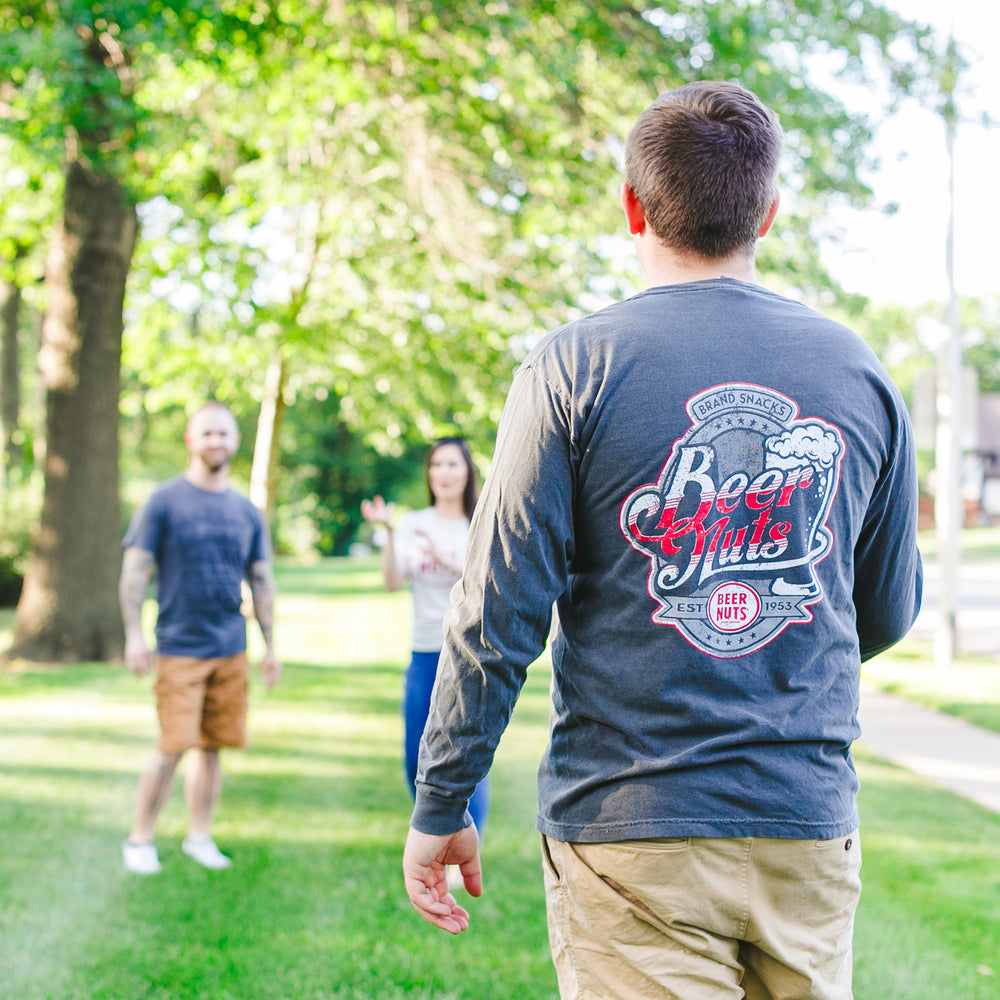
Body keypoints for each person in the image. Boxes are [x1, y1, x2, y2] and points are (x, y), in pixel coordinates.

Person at [402, 81, 923, 1000]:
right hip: (803, 817)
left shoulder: (573, 367)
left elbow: (496, 614)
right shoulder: (857, 371)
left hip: (628, 825)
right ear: (769, 210)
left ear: (632, 207)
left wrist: (443, 798)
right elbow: (881, 608)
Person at [120, 401, 281, 875]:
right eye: (207, 434)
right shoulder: (164, 500)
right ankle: (139, 840)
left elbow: (262, 580)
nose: (216, 442)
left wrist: (271, 645)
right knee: (172, 746)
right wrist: (133, 634)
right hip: (178, 648)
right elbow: (134, 570)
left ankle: (199, 836)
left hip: (231, 648)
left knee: (212, 747)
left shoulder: (246, 511)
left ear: (235, 442)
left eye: (224, 434)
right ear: (191, 440)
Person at [361, 437, 489, 835]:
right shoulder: (413, 524)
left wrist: (445, 558)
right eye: (437, 465)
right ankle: (435, 834)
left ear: (467, 472)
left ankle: (466, 842)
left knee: (465, 753)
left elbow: (487, 584)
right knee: (414, 757)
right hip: (424, 651)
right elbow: (391, 582)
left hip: (468, 654)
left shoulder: (482, 524)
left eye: (453, 464)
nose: (444, 473)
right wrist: (386, 532)